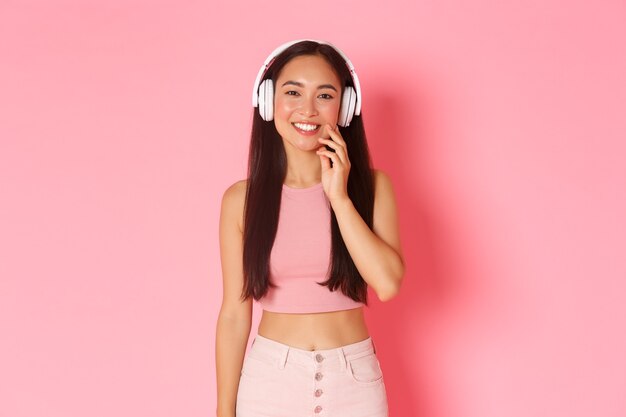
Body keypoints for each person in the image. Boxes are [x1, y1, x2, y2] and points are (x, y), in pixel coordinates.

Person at [215, 39, 404, 417]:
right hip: (270, 382)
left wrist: (340, 198)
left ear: (345, 107)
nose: (307, 109)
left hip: (354, 383)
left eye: (325, 95)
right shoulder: (241, 201)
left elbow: (387, 284)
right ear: (268, 102)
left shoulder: (373, 188)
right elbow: (235, 314)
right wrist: (223, 410)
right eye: (292, 92)